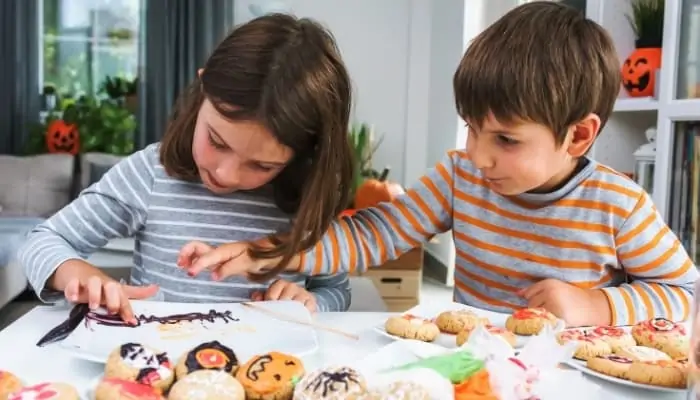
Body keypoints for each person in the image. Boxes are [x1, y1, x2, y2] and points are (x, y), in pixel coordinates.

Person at [179, 2, 698, 328]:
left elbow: (686, 294)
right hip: (471, 366)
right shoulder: (460, 177)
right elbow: (369, 236)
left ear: (579, 135)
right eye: (471, 128)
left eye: (505, 139)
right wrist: (260, 255)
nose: (478, 155)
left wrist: (599, 308)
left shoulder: (619, 205)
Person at [18, 13, 356, 323]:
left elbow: (336, 291)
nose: (226, 174)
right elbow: (41, 241)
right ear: (203, 86)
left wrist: (310, 301)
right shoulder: (150, 173)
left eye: (262, 165)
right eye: (218, 141)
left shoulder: (308, 199)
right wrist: (84, 275)